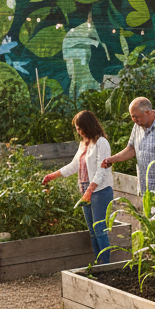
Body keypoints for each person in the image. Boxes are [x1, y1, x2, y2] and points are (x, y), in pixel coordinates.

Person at [42, 111, 114, 262]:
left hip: (99, 191)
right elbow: (74, 165)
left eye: (80, 128)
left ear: (89, 126)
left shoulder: (101, 142)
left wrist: (90, 190)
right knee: (92, 231)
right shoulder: (84, 144)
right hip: (86, 190)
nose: (79, 131)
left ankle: (106, 265)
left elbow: (102, 170)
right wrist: (52, 176)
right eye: (77, 128)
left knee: (100, 229)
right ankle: (98, 262)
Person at [101, 96, 155, 195]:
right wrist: (111, 160)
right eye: (132, 116)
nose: (133, 120)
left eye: (136, 116)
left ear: (147, 112)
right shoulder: (137, 126)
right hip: (145, 188)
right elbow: (131, 149)